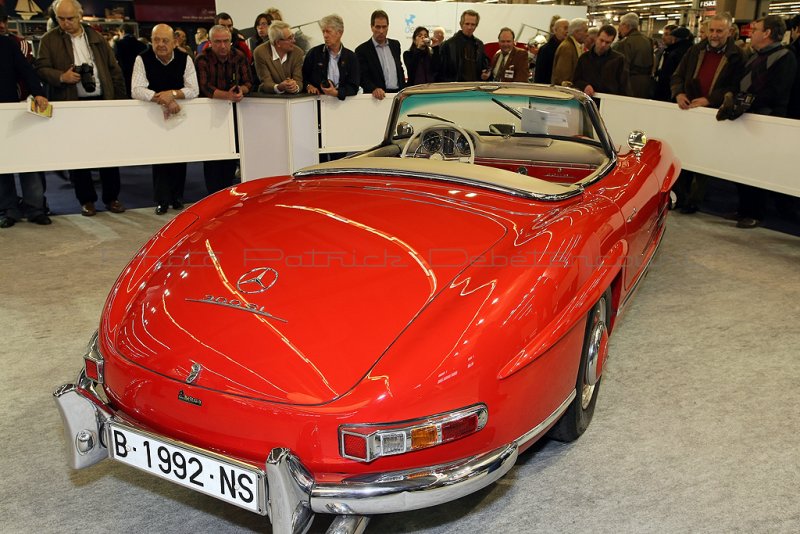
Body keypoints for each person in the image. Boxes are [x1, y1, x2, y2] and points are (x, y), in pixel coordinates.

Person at [35, 0, 126, 217]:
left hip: (102, 103)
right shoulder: (49, 40)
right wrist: (61, 77)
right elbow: (40, 68)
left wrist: (120, 103)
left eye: (70, 18)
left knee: (108, 154)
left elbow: (114, 70)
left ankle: (112, 197)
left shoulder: (96, 37)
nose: (66, 23)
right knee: (77, 156)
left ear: (80, 15)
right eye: (61, 19)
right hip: (70, 105)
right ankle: (86, 200)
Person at [671, 13, 744, 214]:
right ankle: (680, 196)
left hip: (713, 115)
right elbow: (677, 75)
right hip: (688, 111)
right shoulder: (695, 50)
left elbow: (734, 86)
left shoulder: (737, 55)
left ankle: (694, 200)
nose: (714, 34)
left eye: (719, 31)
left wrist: (710, 100)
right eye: (711, 30)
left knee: (703, 158)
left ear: (729, 31)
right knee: (682, 152)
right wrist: (679, 93)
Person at [731, 16, 797, 228]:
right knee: (741, 164)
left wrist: (748, 102)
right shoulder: (754, 56)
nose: (751, 32)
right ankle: (743, 209)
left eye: (756, 29)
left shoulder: (785, 57)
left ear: (767, 33)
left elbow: (778, 90)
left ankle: (755, 213)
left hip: (767, 119)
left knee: (758, 166)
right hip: (746, 117)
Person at [131, 23, 199, 215]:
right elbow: (136, 89)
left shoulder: (185, 59)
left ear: (174, 42)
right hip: (153, 117)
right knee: (160, 159)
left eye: (165, 40)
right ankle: (162, 200)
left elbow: (194, 89)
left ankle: (178, 197)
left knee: (180, 156)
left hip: (180, 116)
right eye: (156, 40)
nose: (160, 44)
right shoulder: (141, 59)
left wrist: (173, 94)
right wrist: (163, 99)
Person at [0, 33, 51, 228]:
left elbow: (25, 69)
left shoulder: (6, 43)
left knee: (27, 162)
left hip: (13, 111)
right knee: (1, 167)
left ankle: (35, 209)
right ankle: (7, 210)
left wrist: (38, 93)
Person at [196, 24, 253, 194]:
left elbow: (249, 81)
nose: (222, 46)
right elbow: (204, 87)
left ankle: (228, 194)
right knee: (212, 159)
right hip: (210, 115)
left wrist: (241, 91)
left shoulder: (239, 56)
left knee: (231, 156)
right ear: (210, 42)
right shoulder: (202, 59)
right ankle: (212, 195)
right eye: (218, 42)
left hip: (235, 114)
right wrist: (227, 95)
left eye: (226, 41)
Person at [302, 14, 360, 101]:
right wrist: (308, 86)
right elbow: (303, 77)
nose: (325, 35)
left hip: (343, 104)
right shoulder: (314, 53)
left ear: (340, 33)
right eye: (323, 32)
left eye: (328, 31)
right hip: (318, 103)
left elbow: (354, 86)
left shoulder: (351, 57)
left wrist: (336, 93)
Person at [355, 10, 404, 100]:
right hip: (376, 98)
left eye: (384, 27)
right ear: (371, 27)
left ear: (388, 27)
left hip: (398, 95)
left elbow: (399, 69)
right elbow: (362, 76)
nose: (381, 31)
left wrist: (403, 89)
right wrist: (373, 89)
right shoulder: (362, 50)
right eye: (378, 27)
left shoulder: (395, 45)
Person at [572, 25, 631, 97]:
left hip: (609, 101)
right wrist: (585, 86)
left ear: (612, 42)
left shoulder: (619, 60)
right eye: (601, 40)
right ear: (596, 38)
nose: (603, 45)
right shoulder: (584, 58)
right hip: (588, 100)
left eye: (607, 42)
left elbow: (624, 86)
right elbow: (576, 80)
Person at [437, 9, 488, 82]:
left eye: (473, 24)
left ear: (476, 26)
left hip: (474, 88)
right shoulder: (448, 45)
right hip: (455, 88)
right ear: (461, 24)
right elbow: (440, 72)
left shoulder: (479, 45)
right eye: (467, 24)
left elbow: (484, 66)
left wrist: (486, 73)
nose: (469, 27)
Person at [254, 21, 303, 94]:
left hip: (292, 98)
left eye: (293, 36)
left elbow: (298, 80)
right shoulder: (260, 52)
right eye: (290, 38)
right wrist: (279, 87)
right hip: (269, 98)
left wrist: (295, 87)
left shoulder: (298, 52)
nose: (294, 40)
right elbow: (266, 83)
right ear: (277, 43)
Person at [613, 12, 654, 98]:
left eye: (620, 25)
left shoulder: (625, 43)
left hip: (630, 84)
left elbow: (623, 66)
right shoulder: (648, 40)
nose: (619, 29)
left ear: (626, 25)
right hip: (647, 83)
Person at [653, 26, 692, 102]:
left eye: (667, 34)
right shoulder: (690, 50)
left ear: (674, 38)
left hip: (670, 92)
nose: (663, 37)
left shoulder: (674, 53)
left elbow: (669, 74)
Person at [551, 17, 588, 86]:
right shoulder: (567, 48)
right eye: (585, 31)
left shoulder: (572, 46)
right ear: (576, 32)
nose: (587, 34)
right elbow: (562, 77)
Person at [114, 23, 146, 98]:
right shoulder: (142, 45)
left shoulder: (119, 44)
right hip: (141, 76)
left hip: (125, 76)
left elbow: (117, 60)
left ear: (123, 31)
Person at [533, 18, 568, 84]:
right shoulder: (545, 49)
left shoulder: (568, 48)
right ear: (555, 30)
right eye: (565, 28)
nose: (567, 31)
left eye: (569, 28)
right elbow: (540, 75)